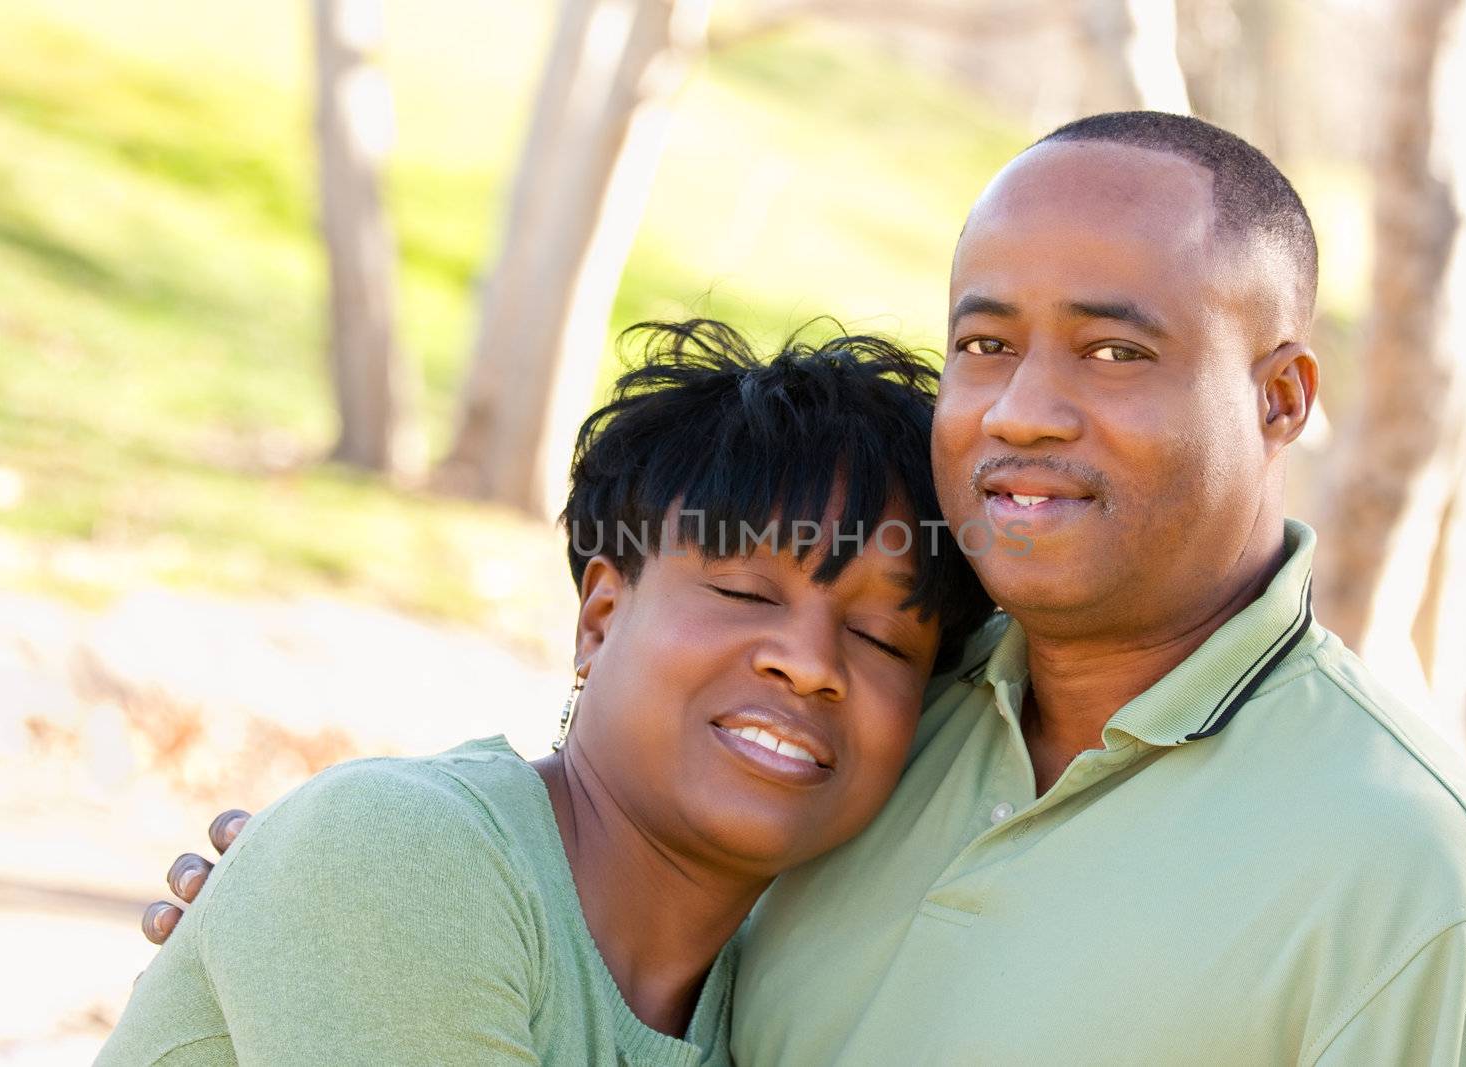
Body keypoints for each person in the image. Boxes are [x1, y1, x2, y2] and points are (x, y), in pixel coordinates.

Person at [138, 113, 1466, 1064]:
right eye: (984, 342)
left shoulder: (1428, 905)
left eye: (1113, 349)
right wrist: (338, 892)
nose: (1024, 406)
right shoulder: (915, 720)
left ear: (1282, 396)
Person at [96, 319, 993, 1065]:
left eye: (881, 638)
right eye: (744, 592)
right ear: (599, 619)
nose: (810, 664)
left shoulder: (781, 1009)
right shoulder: (404, 852)